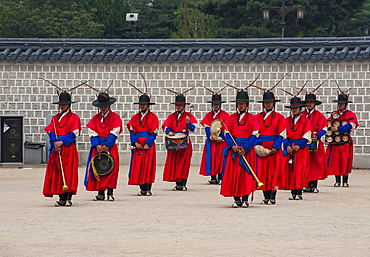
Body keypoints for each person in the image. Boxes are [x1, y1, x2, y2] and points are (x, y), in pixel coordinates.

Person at [220, 90, 260, 208]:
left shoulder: (252, 118)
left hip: (246, 150)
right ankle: (236, 199)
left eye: (243, 103)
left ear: (247, 105)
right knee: (235, 175)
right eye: (239, 103)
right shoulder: (230, 118)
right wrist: (232, 146)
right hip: (235, 150)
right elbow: (227, 134)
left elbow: (255, 134)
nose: (241, 106)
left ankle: (245, 198)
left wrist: (246, 148)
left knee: (246, 175)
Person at [43, 91, 81, 206]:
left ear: (69, 104)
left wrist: (62, 142)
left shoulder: (74, 118)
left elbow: (75, 132)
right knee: (58, 172)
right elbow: (50, 131)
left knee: (69, 172)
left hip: (68, 149)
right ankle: (61, 197)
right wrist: (55, 142)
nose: (62, 106)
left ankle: (68, 196)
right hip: (57, 149)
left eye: (64, 104)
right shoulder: (55, 118)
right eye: (60, 104)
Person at [84, 91, 122, 201]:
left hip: (110, 147)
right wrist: (97, 145)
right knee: (98, 168)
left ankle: (110, 192)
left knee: (111, 169)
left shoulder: (115, 117)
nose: (103, 108)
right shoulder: (95, 118)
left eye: (105, 106)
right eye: (101, 106)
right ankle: (100, 192)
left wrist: (107, 145)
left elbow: (115, 131)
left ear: (109, 105)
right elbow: (92, 131)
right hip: (98, 147)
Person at [255, 91, 286, 204]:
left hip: (274, 149)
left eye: (270, 102)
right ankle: (265, 195)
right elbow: (255, 133)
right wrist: (259, 146)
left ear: (274, 103)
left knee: (274, 172)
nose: (268, 104)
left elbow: (282, 133)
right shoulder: (258, 117)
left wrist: (276, 147)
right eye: (266, 102)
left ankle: (273, 196)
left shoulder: (279, 117)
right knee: (263, 172)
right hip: (262, 148)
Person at [162, 92, 197, 191]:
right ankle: (177, 183)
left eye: (180, 105)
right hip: (174, 143)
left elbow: (193, 128)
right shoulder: (172, 116)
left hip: (184, 142)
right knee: (175, 163)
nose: (178, 107)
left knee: (184, 163)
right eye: (177, 105)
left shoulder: (188, 116)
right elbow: (166, 126)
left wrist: (188, 123)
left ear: (184, 106)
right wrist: (170, 132)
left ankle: (183, 183)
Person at [127, 94, 159, 196]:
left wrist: (148, 143)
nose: (142, 106)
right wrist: (135, 143)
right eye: (141, 104)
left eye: (144, 104)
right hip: (138, 145)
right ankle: (142, 188)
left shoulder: (153, 117)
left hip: (148, 145)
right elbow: (132, 130)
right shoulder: (135, 117)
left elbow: (154, 131)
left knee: (148, 166)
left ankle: (148, 188)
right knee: (139, 167)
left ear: (148, 105)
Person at [282, 96, 312, 200]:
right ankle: (292, 192)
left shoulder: (305, 120)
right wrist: (288, 145)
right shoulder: (286, 120)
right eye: (293, 108)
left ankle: (299, 191)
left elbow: (307, 134)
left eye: (296, 108)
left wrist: (299, 145)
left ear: (300, 109)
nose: (294, 110)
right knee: (291, 171)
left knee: (300, 170)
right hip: (290, 148)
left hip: (300, 149)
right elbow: (283, 134)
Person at [326, 93, 359, 187]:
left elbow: (351, 125)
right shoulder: (334, 114)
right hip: (335, 142)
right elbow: (328, 123)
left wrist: (338, 129)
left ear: (346, 104)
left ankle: (345, 181)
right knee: (336, 161)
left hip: (345, 142)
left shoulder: (350, 114)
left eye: (342, 103)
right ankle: (337, 181)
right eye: (339, 103)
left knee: (345, 161)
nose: (340, 105)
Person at [199, 90, 229, 184]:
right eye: (214, 104)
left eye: (217, 104)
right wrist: (210, 136)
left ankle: (220, 177)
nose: (216, 105)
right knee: (211, 158)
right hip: (212, 141)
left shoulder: (225, 115)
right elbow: (207, 127)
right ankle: (213, 177)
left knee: (221, 158)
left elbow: (226, 128)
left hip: (221, 141)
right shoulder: (208, 115)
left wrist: (221, 137)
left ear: (220, 104)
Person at [302, 92, 328, 193]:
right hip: (304, 142)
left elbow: (324, 128)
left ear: (314, 103)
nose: (309, 104)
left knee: (315, 164)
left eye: (311, 102)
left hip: (315, 142)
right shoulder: (301, 115)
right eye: (308, 102)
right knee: (305, 164)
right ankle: (306, 184)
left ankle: (314, 185)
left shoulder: (319, 115)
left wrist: (317, 135)